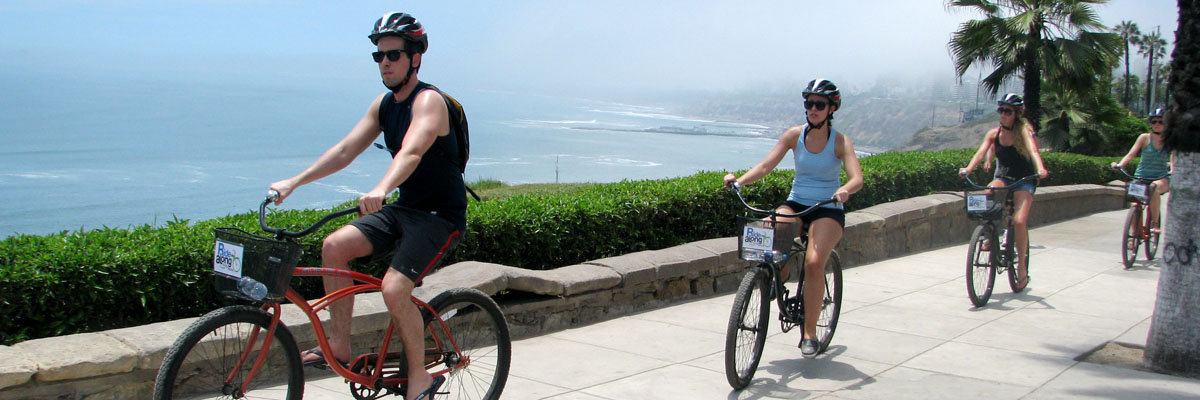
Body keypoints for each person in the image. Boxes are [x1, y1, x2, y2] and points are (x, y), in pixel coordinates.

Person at [268, 12, 464, 400]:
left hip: (440, 218)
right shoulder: (384, 105)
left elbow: (412, 151)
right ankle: (340, 345)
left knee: (394, 290)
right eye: (379, 56)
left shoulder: (430, 102)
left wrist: (382, 187)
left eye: (393, 55)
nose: (385, 62)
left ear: (415, 58)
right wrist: (294, 182)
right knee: (333, 247)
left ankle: (421, 380)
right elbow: (344, 150)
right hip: (405, 209)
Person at [723, 79, 863, 357]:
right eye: (809, 103)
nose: (813, 109)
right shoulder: (793, 135)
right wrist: (739, 181)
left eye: (819, 105)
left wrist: (845, 190)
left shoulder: (840, 142)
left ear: (831, 108)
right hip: (797, 202)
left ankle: (809, 334)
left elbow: (857, 177)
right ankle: (776, 278)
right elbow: (765, 166)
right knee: (773, 235)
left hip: (828, 208)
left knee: (813, 262)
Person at [958, 93, 1049, 289]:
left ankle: (1022, 269)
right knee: (989, 192)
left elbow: (1033, 151)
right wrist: (968, 169)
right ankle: (990, 233)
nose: (1003, 114)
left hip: (1024, 180)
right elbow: (980, 153)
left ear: (1016, 114)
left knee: (1018, 221)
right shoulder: (994, 133)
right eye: (1001, 110)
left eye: (1008, 111)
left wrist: (1040, 168)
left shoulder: (1024, 131)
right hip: (1005, 178)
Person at [1111, 108, 1174, 233]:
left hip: (1161, 178)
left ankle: (1155, 223)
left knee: (1154, 188)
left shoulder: (1169, 139)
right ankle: (1135, 234)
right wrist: (1121, 164)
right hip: (1141, 177)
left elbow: (1173, 157)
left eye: (1160, 122)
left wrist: (1173, 169)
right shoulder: (1144, 138)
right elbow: (1131, 154)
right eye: (1154, 122)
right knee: (1135, 205)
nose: (1157, 124)